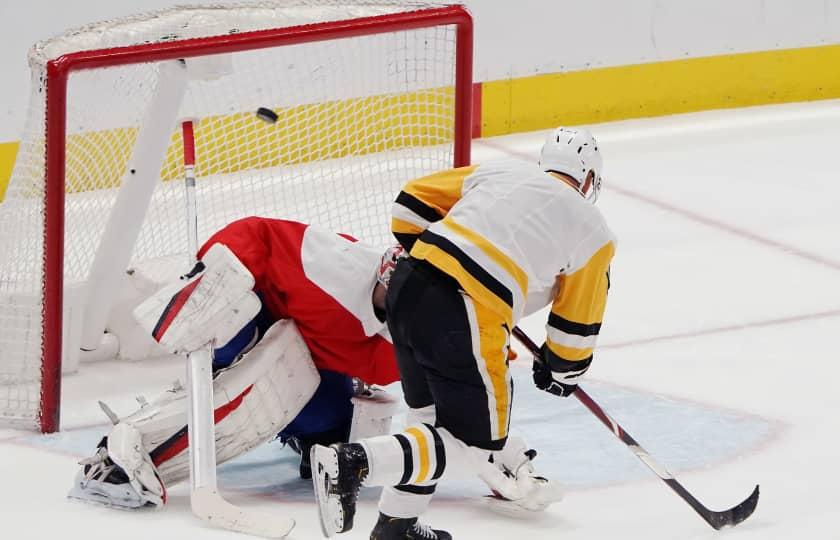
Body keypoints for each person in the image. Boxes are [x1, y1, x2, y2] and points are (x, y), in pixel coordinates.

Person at [69, 217, 559, 514]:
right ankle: (126, 456)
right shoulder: (338, 265)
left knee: (337, 427)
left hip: (304, 356)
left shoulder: (419, 337)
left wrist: (512, 466)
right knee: (273, 376)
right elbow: (255, 234)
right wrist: (214, 276)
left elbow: (466, 417)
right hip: (242, 317)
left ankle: (302, 433)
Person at [311, 127, 616, 539]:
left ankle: (397, 526)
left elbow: (410, 203)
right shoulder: (593, 231)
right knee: (475, 446)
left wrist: (441, 255)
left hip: (407, 286)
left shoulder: (503, 172)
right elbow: (575, 325)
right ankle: (353, 461)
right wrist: (562, 371)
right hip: (465, 309)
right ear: (590, 180)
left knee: (431, 420)